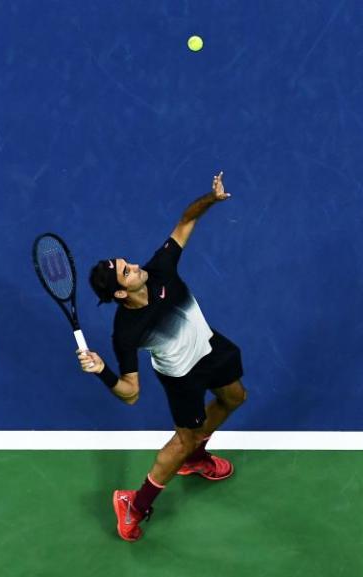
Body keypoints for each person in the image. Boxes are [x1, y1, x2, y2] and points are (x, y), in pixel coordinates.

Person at [77, 171, 247, 542]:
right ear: (121, 293)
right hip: (182, 376)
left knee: (235, 396)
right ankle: (134, 504)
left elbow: (186, 221)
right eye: (127, 271)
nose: (136, 266)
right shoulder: (126, 332)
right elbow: (131, 392)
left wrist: (211, 198)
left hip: (208, 347)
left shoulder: (161, 269)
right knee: (182, 439)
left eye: (128, 263)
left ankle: (196, 458)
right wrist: (104, 370)